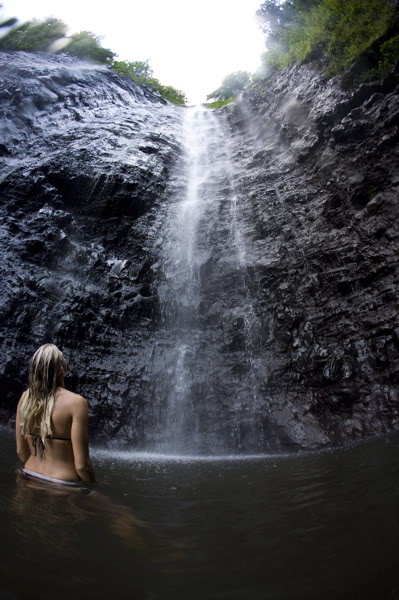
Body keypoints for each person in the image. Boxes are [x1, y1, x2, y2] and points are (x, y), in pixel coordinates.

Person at [16, 343, 96, 486]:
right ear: (60, 369)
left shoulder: (25, 399)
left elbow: (21, 452)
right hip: (62, 483)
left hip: (28, 475)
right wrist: (92, 488)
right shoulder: (77, 403)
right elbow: (82, 466)